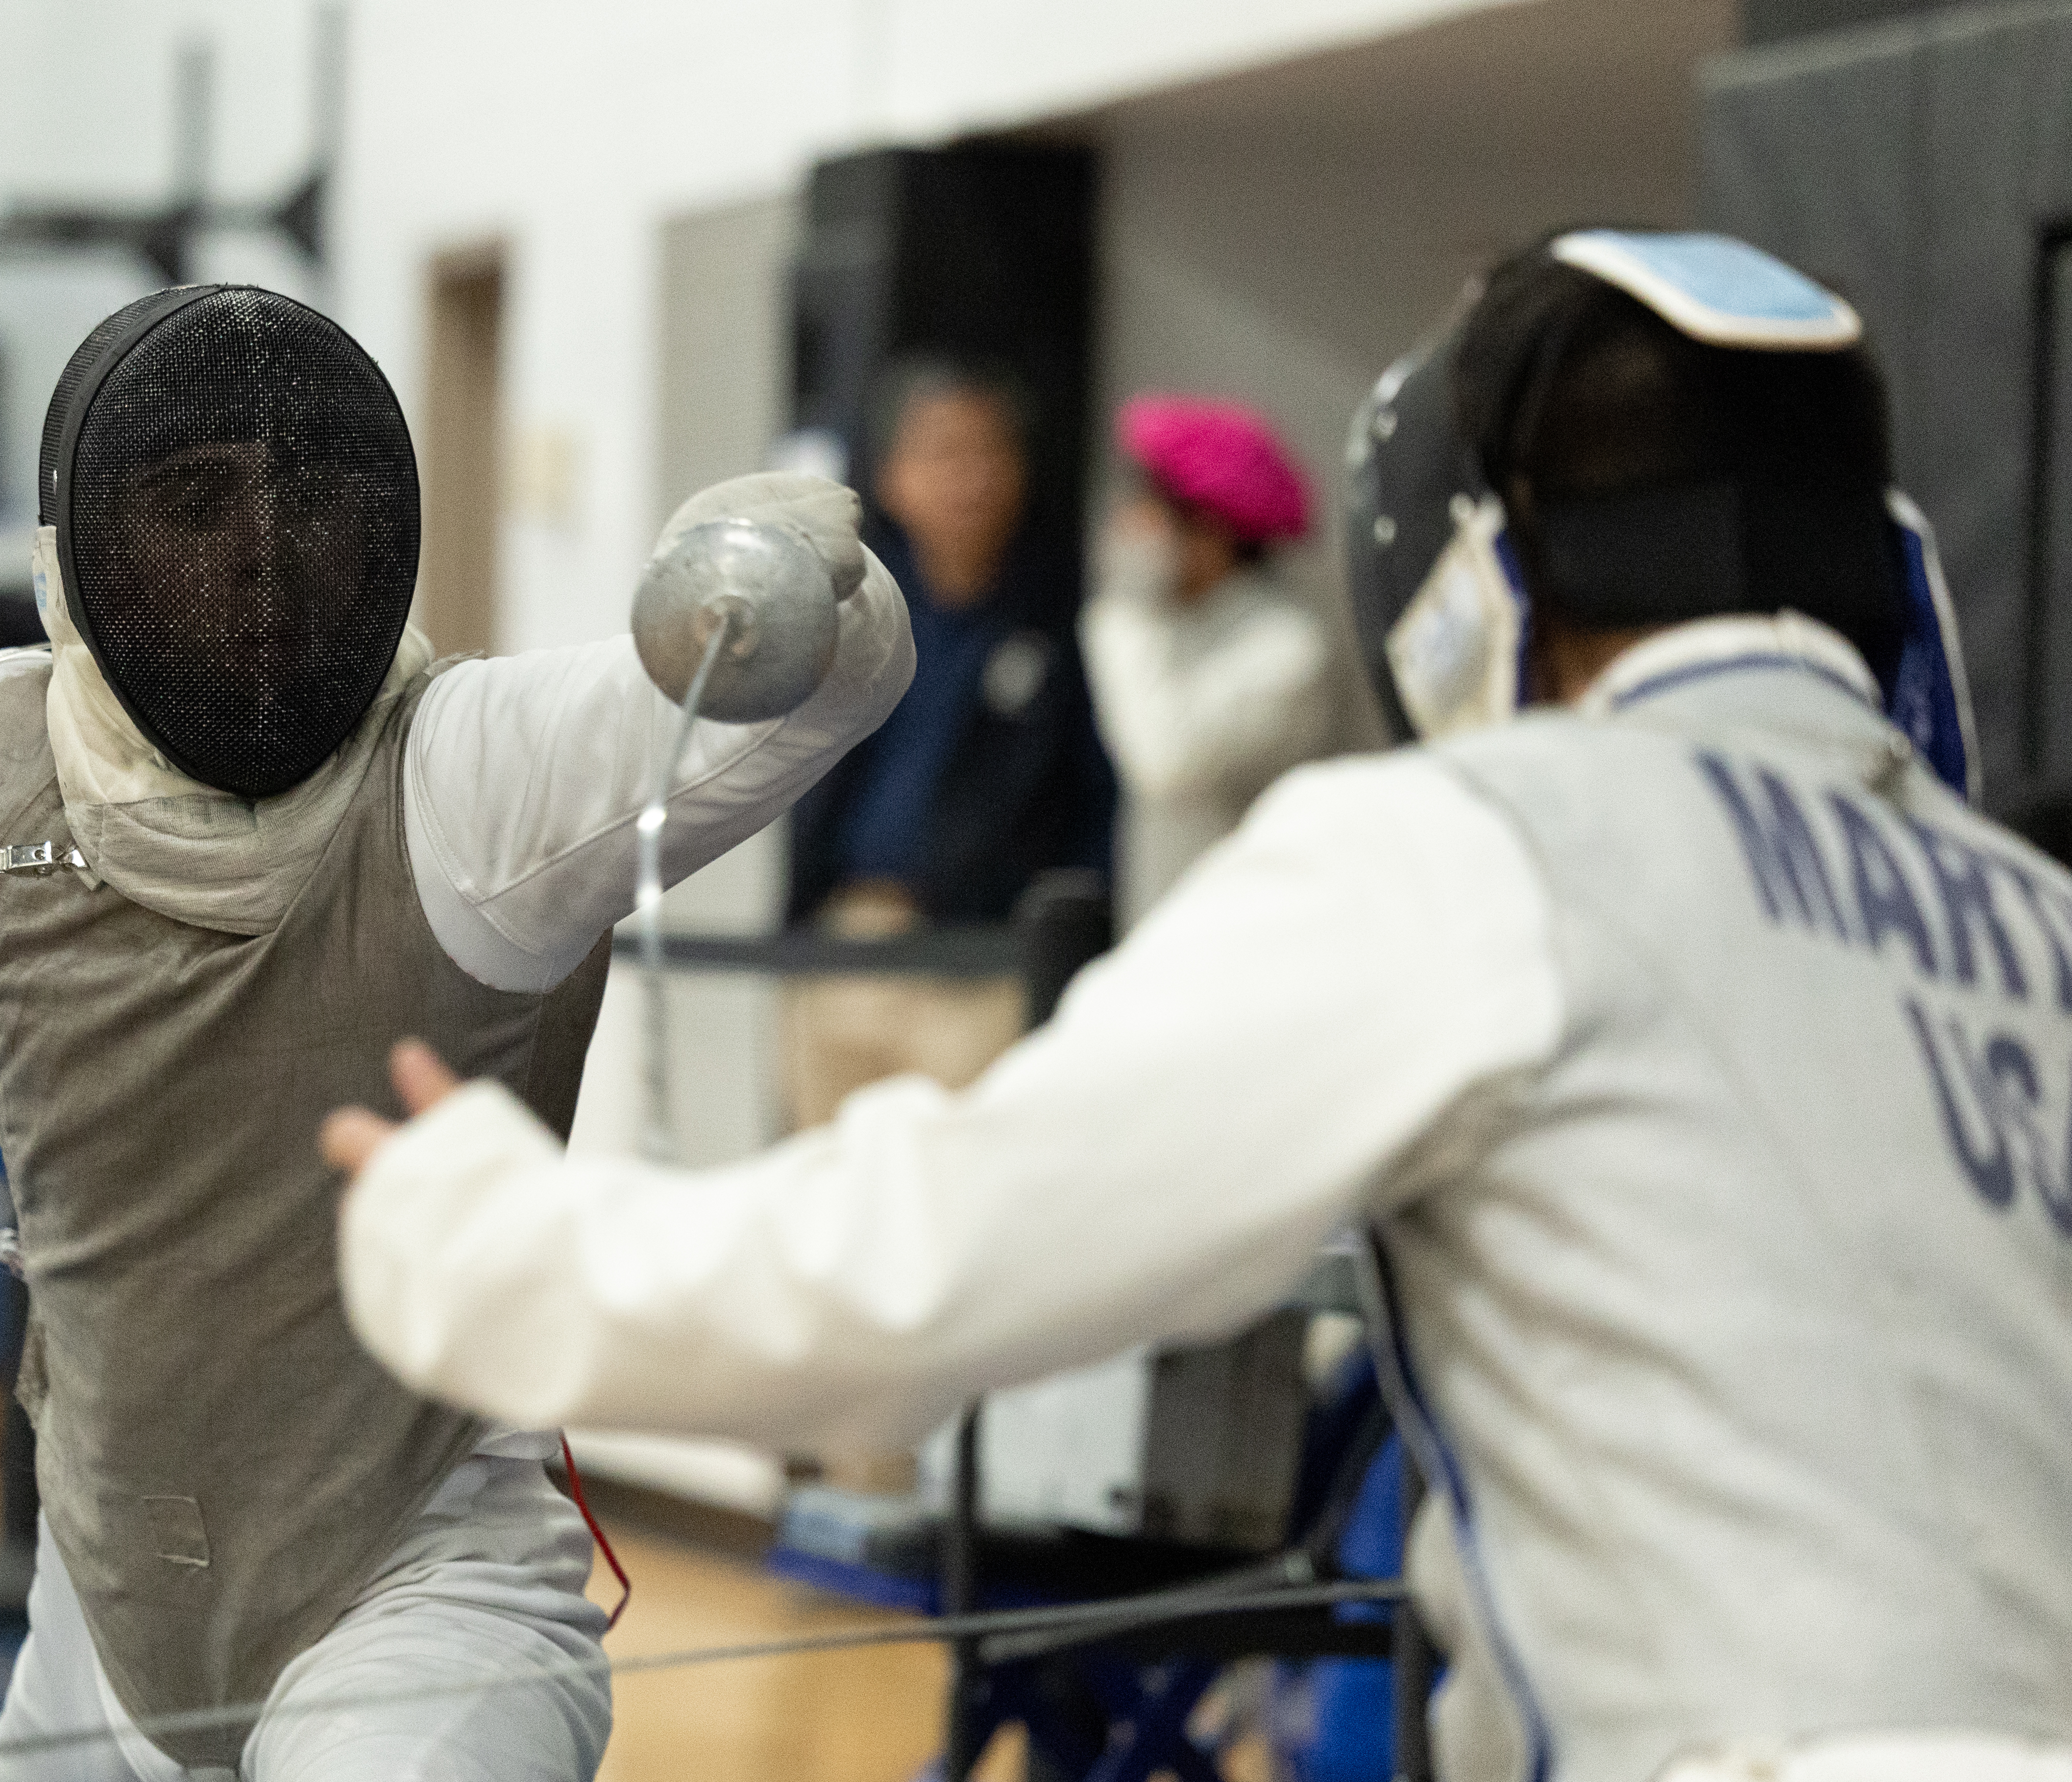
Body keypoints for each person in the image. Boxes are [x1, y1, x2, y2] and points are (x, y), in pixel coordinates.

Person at [326, 234, 2072, 1782]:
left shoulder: (1489, 843)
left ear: (1465, 574)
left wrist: (496, 1249)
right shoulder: (2035, 915)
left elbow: (950, 1249)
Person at [0, 285, 913, 1782]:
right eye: (193, 501)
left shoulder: (474, 774)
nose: (263, 551)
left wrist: (795, 581)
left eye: (311, 498)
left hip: (420, 1600)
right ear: (73, 552)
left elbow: (834, 678)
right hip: (105, 1617)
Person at [779, 358, 1116, 1127]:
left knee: (963, 1170)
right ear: (893, 477)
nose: (971, 478)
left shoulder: (1058, 621)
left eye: (990, 452)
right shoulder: (849, 611)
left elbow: (1094, 799)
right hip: (849, 935)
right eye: (944, 453)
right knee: (821, 1165)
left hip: (980, 955)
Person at [1081, 396, 1331, 918]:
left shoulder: (1288, 647)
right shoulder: (1168, 623)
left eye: (1149, 515)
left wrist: (1128, 608)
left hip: (1255, 928)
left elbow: (1163, 758)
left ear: (1209, 532)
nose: (1126, 532)